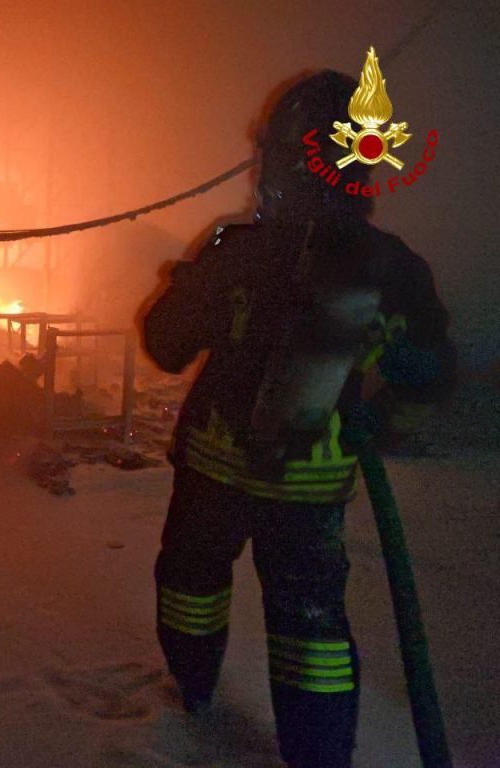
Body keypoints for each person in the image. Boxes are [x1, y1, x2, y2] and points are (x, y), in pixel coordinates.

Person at [141, 70, 454, 768]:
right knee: (311, 626)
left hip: (213, 475)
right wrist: (380, 418)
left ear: (282, 161)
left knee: (193, 583)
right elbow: (429, 374)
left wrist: (186, 283)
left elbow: (163, 345)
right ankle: (319, 756)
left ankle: (192, 697)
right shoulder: (394, 269)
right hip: (311, 489)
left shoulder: (237, 253)